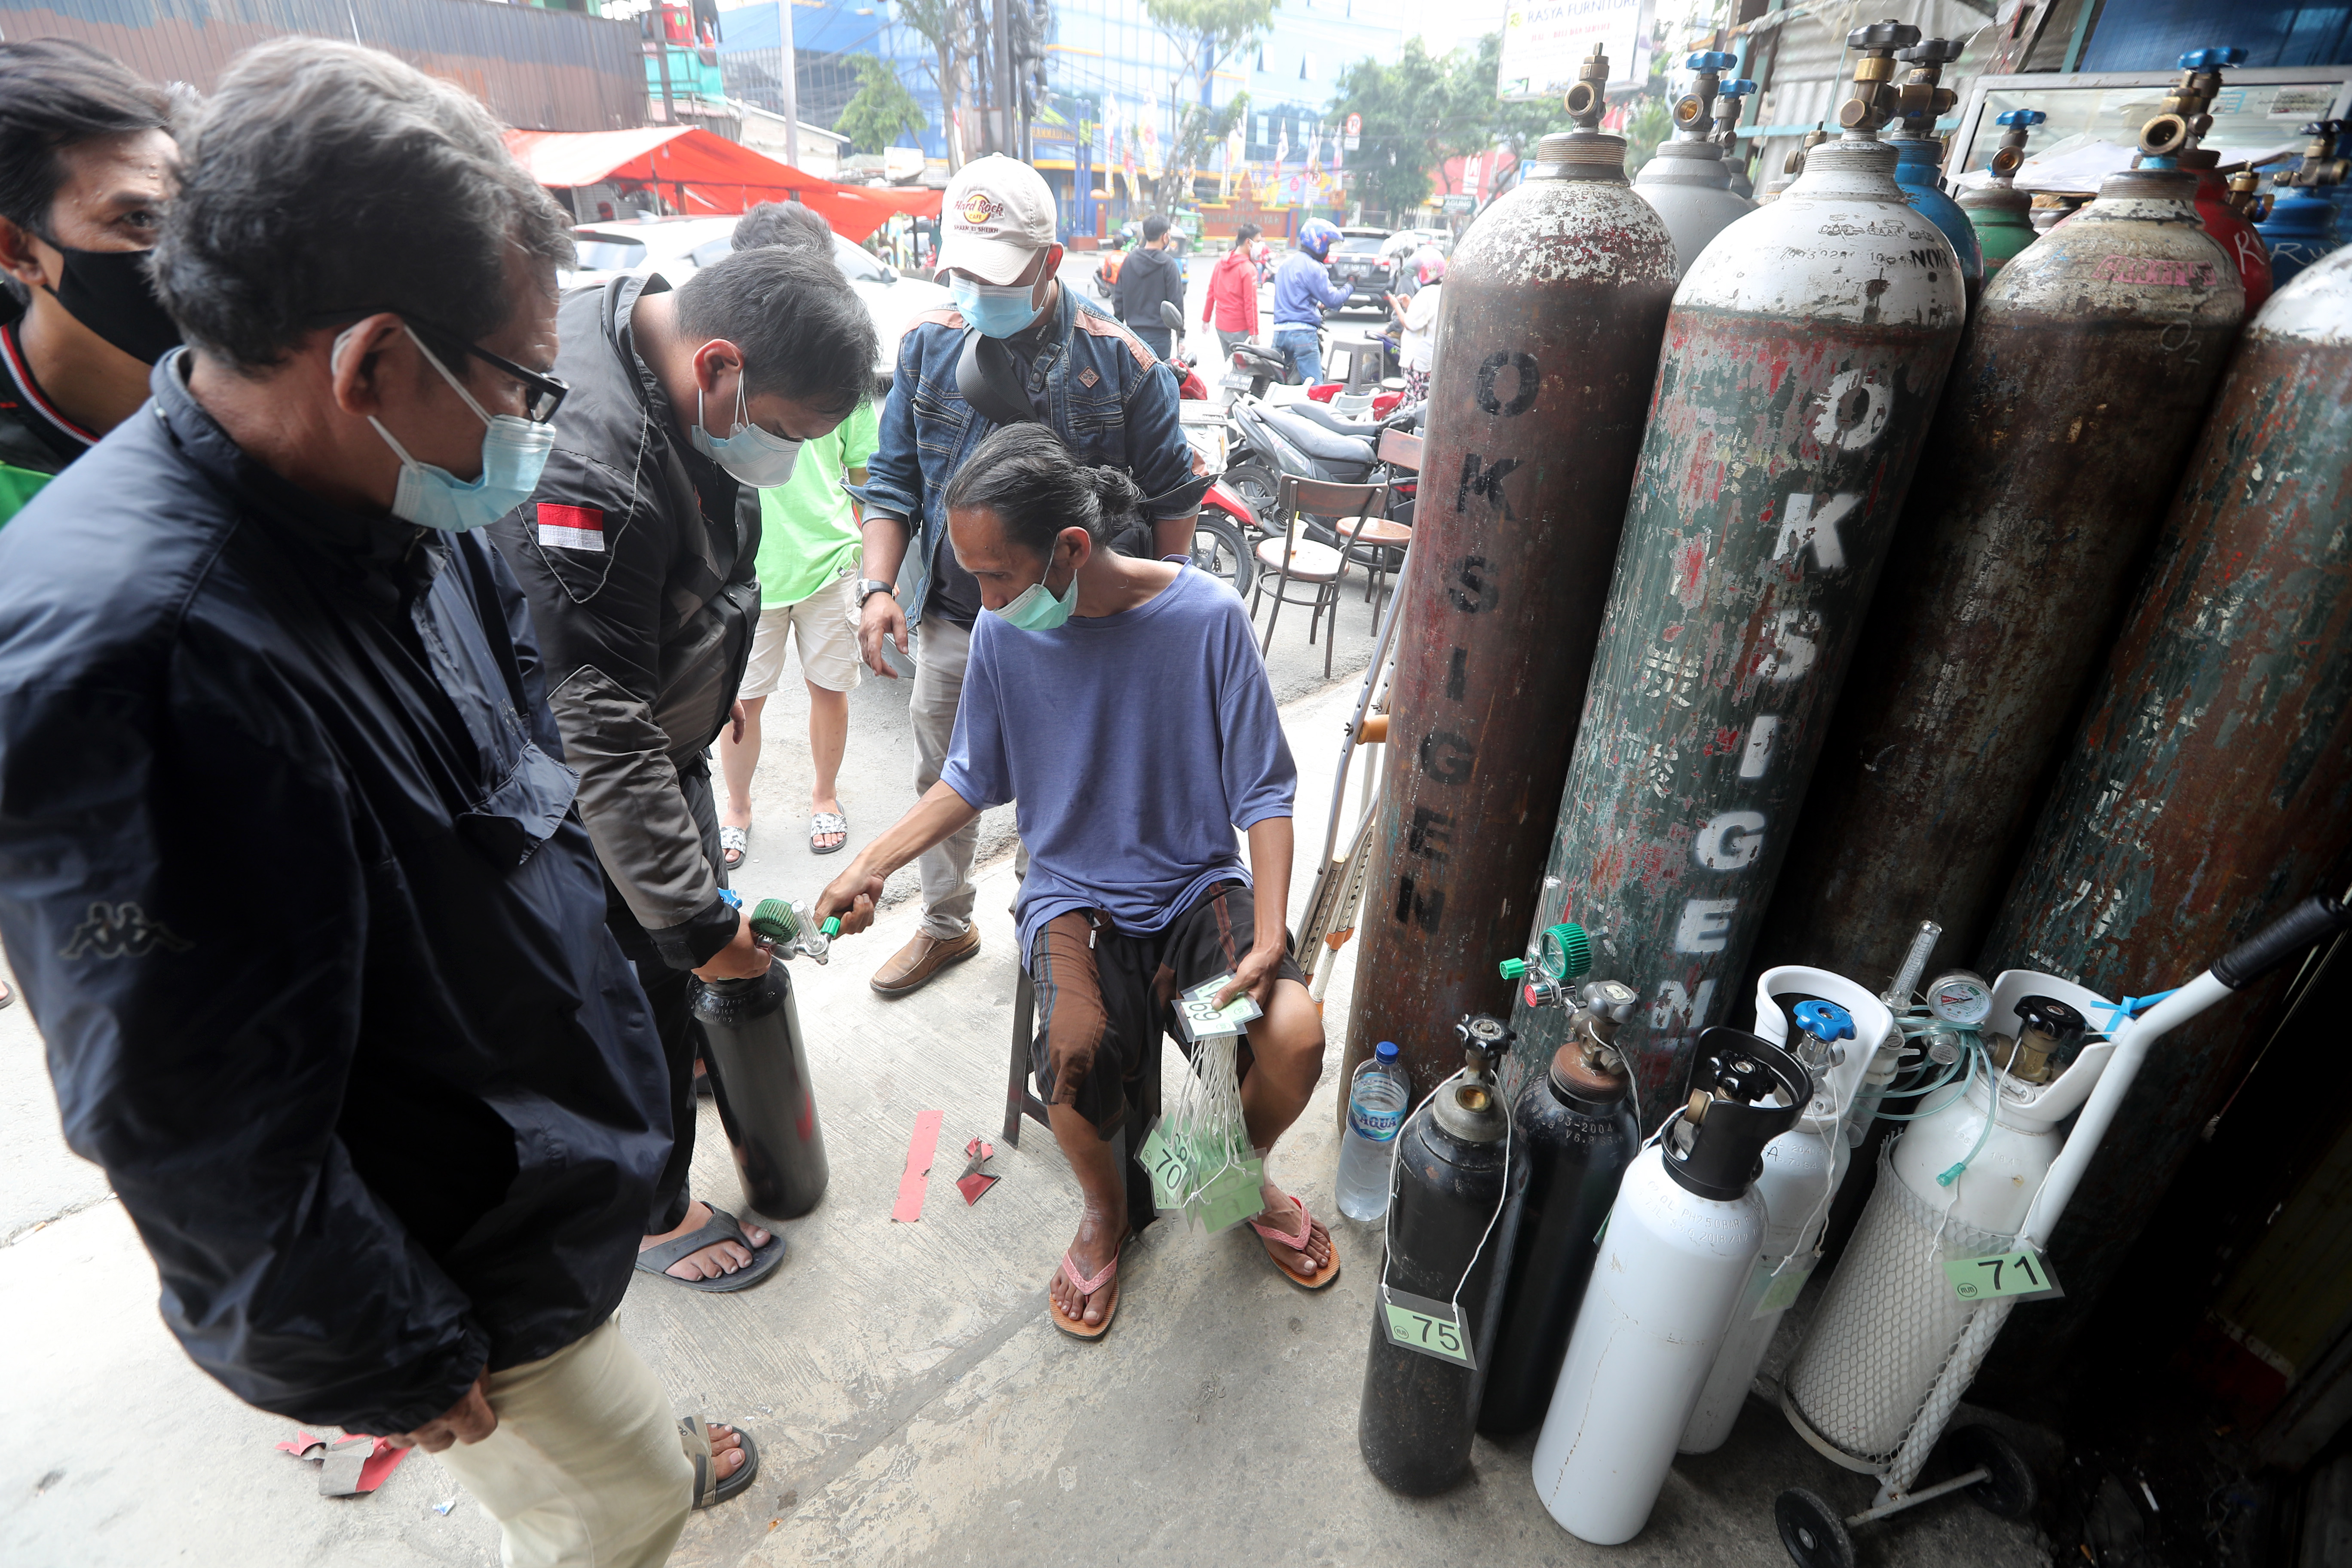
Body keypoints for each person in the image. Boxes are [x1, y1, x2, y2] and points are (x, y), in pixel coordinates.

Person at [0, 40, 759, 1565]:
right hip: (454, 1247)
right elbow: (201, 1127)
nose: (537, 421)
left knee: (611, 1475)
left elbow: (514, 774)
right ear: (368, 366)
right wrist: (391, 1348)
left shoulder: (397, 496)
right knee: (617, 1511)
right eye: (523, 381)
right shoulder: (134, 663)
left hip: (532, 1167)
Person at [818, 426, 1336, 1337]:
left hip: (1193, 887)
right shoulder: (1004, 639)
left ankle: (1225, 1172)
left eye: (997, 577)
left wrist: (1269, 934)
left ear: (1071, 548)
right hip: (1074, 894)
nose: (984, 600)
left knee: (1293, 1034)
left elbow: (1265, 789)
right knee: (1073, 1056)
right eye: (972, 577)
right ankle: (1107, 1215)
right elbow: (970, 780)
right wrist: (870, 865)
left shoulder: (1209, 618)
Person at [488, 216, 878, 1293]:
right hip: (581, 773)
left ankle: (693, 1042)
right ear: (720, 365)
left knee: (686, 967)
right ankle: (656, 1211)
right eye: (786, 430)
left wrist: (714, 698)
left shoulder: (642, 318)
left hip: (667, 728)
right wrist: (703, 932)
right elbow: (601, 737)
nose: (787, 457)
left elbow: (685, 575)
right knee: (650, 972)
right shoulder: (594, 473)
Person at [851, 154, 1206, 1000]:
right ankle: (945, 924)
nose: (977, 290)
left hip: (1072, 629)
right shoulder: (930, 346)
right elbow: (893, 476)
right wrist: (875, 589)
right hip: (951, 618)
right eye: (963, 272)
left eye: (997, 275)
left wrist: (1163, 626)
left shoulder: (1124, 366)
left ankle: (1046, 933)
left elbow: (1172, 501)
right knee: (944, 780)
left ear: (1051, 264)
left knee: (1064, 792)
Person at [717, 200, 876, 862]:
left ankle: (823, 795)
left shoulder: (844, 362)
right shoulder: (721, 365)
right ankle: (738, 808)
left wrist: (869, 575)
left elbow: (864, 478)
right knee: (739, 704)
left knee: (828, 689)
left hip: (828, 561)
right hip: (745, 570)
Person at [0, 40, 181, 533]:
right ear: (17, 249)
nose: (196, 251)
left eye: (198, 210)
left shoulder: (270, 398)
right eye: (141, 219)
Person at [1271, 217, 1351, 386]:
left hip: (1279, 334)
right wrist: (1351, 285)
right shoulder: (1315, 267)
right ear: (1318, 243)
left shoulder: (1285, 264)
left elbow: (1296, 294)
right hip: (1302, 335)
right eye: (1328, 245)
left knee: (1279, 385)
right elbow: (1334, 301)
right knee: (1315, 388)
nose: (1328, 250)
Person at [1113, 213, 1185, 361]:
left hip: (1132, 335)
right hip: (1160, 339)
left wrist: (1118, 328)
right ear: (1165, 237)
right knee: (1157, 381)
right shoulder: (1168, 264)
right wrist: (1181, 336)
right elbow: (1176, 303)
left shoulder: (1129, 261)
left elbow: (1118, 298)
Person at [1389, 251, 1446, 401]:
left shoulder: (1426, 293)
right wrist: (1409, 305)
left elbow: (1409, 324)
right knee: (1425, 402)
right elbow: (1424, 316)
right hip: (1430, 357)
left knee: (1412, 400)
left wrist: (1397, 306)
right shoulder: (1442, 291)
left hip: (1417, 359)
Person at [1202, 222, 1262, 358]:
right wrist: (1254, 333)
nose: (1261, 246)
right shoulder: (1248, 269)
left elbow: (1211, 293)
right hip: (1239, 329)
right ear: (1248, 242)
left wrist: (1206, 320)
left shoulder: (1221, 262)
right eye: (1258, 241)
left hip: (1221, 326)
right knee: (1242, 369)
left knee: (1228, 362)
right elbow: (1250, 304)